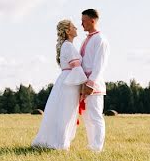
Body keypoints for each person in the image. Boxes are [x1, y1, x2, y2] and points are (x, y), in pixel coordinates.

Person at [31, 19, 86, 150]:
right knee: (65, 112)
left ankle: (58, 141)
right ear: (67, 31)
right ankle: (60, 144)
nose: (76, 28)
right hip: (70, 81)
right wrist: (84, 85)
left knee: (64, 111)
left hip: (68, 80)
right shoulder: (68, 46)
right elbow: (76, 68)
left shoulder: (67, 45)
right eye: (73, 27)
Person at [74, 8, 110, 152]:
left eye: (83, 21)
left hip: (94, 84)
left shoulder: (100, 40)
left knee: (95, 116)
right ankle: (91, 145)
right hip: (84, 83)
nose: (81, 24)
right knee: (87, 117)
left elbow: (100, 64)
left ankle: (97, 147)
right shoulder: (87, 39)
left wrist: (91, 83)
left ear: (92, 20)